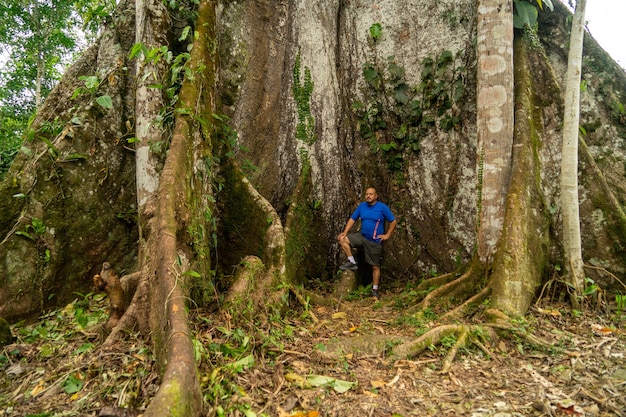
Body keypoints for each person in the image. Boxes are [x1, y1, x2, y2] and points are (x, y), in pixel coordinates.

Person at [337, 187, 397, 299]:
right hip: (362, 236)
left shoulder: (382, 208)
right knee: (342, 240)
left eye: (371, 194)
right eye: (367, 194)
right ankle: (352, 262)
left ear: (376, 196)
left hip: (374, 241)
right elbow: (352, 219)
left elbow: (393, 221)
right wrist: (345, 232)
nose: (368, 196)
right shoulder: (362, 206)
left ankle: (375, 289)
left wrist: (387, 235)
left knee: (375, 267)